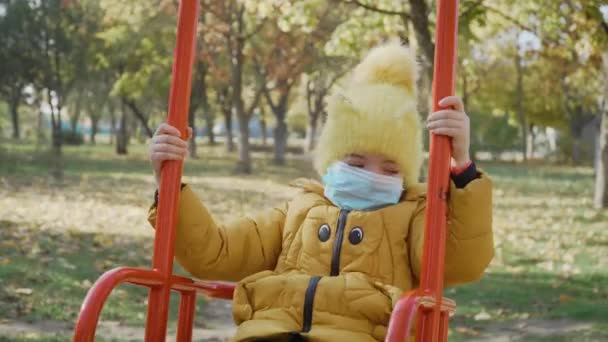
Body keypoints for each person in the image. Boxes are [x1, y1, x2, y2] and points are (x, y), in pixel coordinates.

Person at [147, 42, 493, 342]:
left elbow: (459, 263)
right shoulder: (296, 211)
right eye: (356, 163)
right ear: (331, 160)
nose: (372, 176)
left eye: (390, 169)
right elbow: (213, 252)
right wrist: (169, 185)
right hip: (272, 333)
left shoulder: (412, 218)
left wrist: (460, 166)